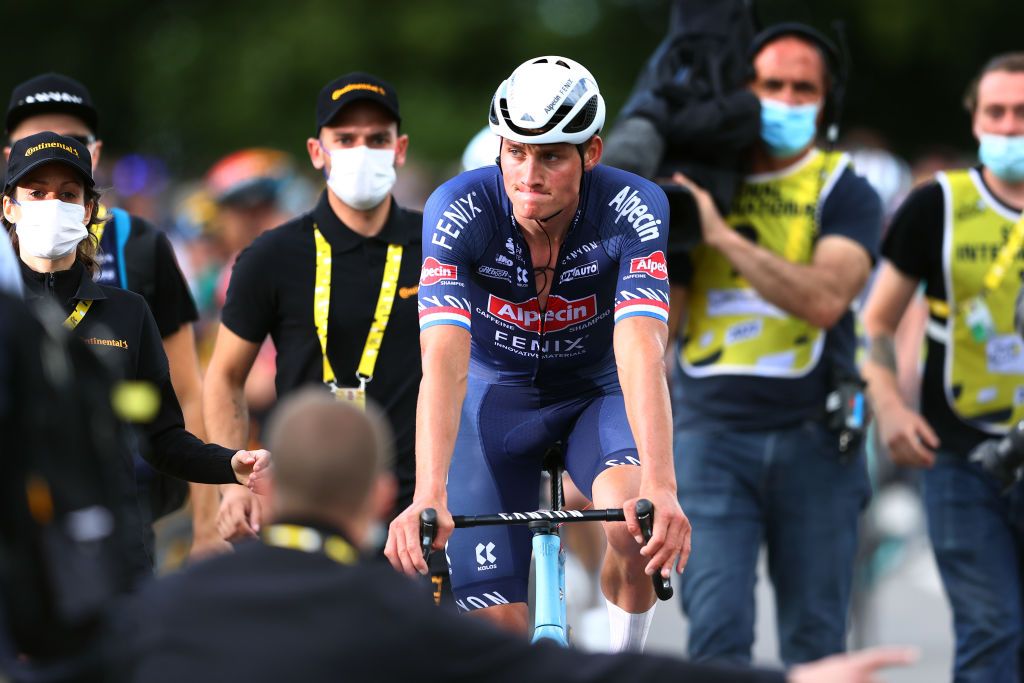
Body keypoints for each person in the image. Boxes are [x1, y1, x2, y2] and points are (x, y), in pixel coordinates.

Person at [125, 389, 914, 683]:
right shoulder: (400, 618)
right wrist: (792, 680)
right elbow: (590, 674)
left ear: (262, 484)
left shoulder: (167, 604)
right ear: (381, 494)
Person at [383, 55, 689, 652]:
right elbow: (443, 358)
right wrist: (428, 493)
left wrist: (663, 483)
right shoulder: (458, 207)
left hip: (593, 395)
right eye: (516, 151)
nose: (529, 173)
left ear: (592, 153)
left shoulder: (635, 205)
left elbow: (639, 347)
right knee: (493, 636)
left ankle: (622, 660)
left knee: (634, 526)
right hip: (494, 400)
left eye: (551, 155)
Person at [666, 25, 881, 666]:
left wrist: (723, 237)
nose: (786, 99)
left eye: (803, 88)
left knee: (817, 645)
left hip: (816, 439)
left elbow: (823, 300)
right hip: (709, 439)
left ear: (826, 103)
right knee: (716, 633)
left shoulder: (846, 188)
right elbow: (659, 327)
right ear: (742, 93)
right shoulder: (695, 183)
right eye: (771, 85)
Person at [3, 131, 267, 576]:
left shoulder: (127, 312)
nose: (53, 205)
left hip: (113, 551)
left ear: (88, 210)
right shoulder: (6, 313)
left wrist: (228, 464)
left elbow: (161, 438)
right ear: (9, 206)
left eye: (68, 195)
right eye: (37, 192)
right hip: (17, 554)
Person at [204, 72, 422, 545]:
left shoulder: (440, 245)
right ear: (316, 152)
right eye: (345, 139)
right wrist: (231, 480)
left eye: (376, 139)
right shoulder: (271, 256)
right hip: (305, 510)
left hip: (418, 508)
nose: (362, 152)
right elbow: (224, 376)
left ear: (399, 149)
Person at [861, 53, 1024, 681]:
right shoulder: (936, 206)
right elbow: (875, 322)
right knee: (992, 630)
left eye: (1021, 113)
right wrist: (892, 407)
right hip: (960, 459)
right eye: (996, 112)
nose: (1009, 126)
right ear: (976, 119)